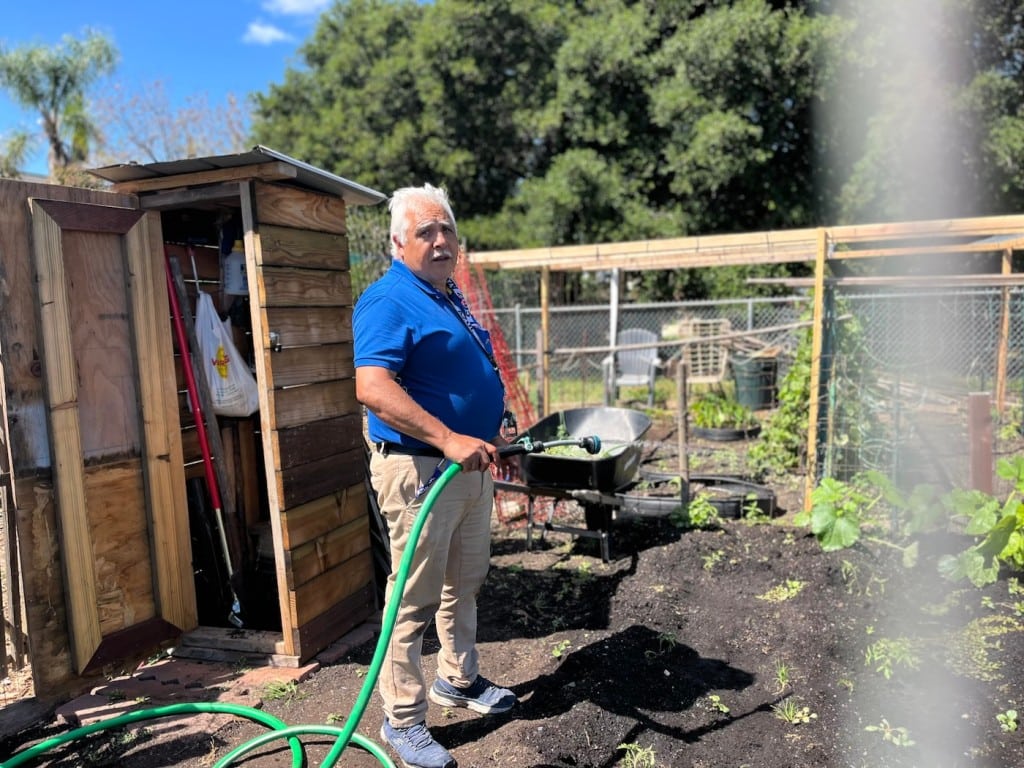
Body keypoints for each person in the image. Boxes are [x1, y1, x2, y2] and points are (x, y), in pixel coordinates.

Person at [353, 183, 517, 768]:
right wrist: (448, 438)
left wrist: (494, 425)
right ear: (399, 241)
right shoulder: (388, 299)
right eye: (427, 231)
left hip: (470, 466)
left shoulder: (446, 295)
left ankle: (459, 679)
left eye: (447, 228)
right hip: (422, 469)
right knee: (412, 599)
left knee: (464, 580)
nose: (441, 239)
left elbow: (457, 375)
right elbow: (372, 387)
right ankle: (401, 720)